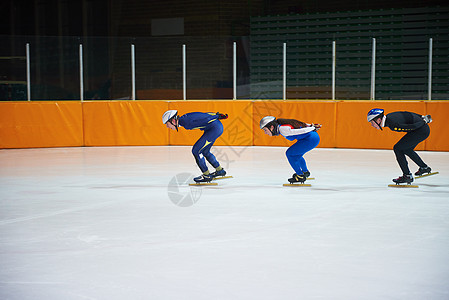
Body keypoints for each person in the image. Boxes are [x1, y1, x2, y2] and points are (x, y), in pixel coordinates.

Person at [367, 108, 433, 184]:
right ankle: (424, 167)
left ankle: (407, 176)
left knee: (397, 148)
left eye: (372, 122)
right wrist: (421, 116)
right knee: (407, 149)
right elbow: (406, 113)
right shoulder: (389, 117)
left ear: (378, 120)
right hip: (420, 130)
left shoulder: (392, 123)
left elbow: (412, 126)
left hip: (420, 130)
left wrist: (423, 121)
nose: (372, 125)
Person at [162, 110, 228, 183]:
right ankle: (220, 170)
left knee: (196, 150)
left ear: (173, 121)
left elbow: (206, 119)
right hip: (213, 128)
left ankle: (206, 175)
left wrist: (217, 116)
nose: (167, 126)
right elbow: (202, 114)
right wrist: (216, 114)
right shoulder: (184, 119)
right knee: (205, 151)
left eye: (167, 124)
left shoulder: (187, 123)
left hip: (214, 129)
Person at [260, 116, 321, 183]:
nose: (265, 133)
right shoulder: (282, 126)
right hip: (311, 138)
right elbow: (299, 124)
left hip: (311, 139)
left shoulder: (282, 129)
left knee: (290, 154)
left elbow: (300, 131)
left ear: (271, 127)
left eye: (265, 130)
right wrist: (310, 126)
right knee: (297, 155)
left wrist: (312, 128)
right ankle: (305, 172)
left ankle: (300, 175)